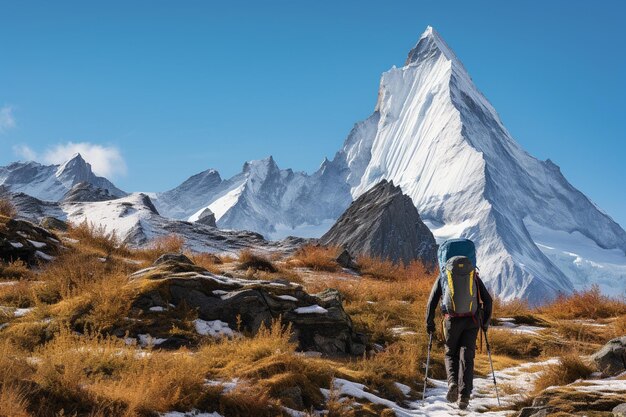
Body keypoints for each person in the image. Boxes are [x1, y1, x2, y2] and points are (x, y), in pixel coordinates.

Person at [425, 241, 493, 410]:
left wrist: (429, 323)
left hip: (451, 320)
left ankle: (452, 383)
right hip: (472, 320)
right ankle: (464, 397)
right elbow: (488, 300)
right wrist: (485, 323)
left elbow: (432, 301)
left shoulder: (444, 276)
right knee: (467, 357)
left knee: (450, 354)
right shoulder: (473, 276)